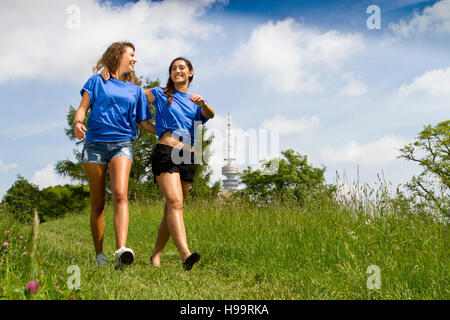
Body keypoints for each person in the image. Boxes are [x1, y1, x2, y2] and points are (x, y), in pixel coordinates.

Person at [73, 41, 156, 269]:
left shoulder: (136, 90)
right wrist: (78, 122)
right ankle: (99, 255)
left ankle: (121, 250)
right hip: (95, 145)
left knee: (120, 194)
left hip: (122, 144)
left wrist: (166, 132)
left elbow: (144, 122)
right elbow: (83, 107)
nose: (135, 59)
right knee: (98, 203)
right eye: (131, 54)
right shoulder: (97, 80)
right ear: (118, 55)